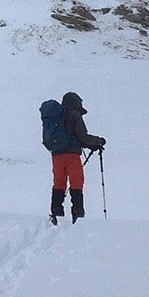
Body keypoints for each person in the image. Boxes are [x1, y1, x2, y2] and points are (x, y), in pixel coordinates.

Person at [49, 91, 105, 225]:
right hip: (72, 156)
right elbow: (83, 137)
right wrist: (99, 142)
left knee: (59, 183)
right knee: (76, 183)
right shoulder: (74, 115)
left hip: (56, 155)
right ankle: (78, 215)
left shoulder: (56, 116)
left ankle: (56, 213)